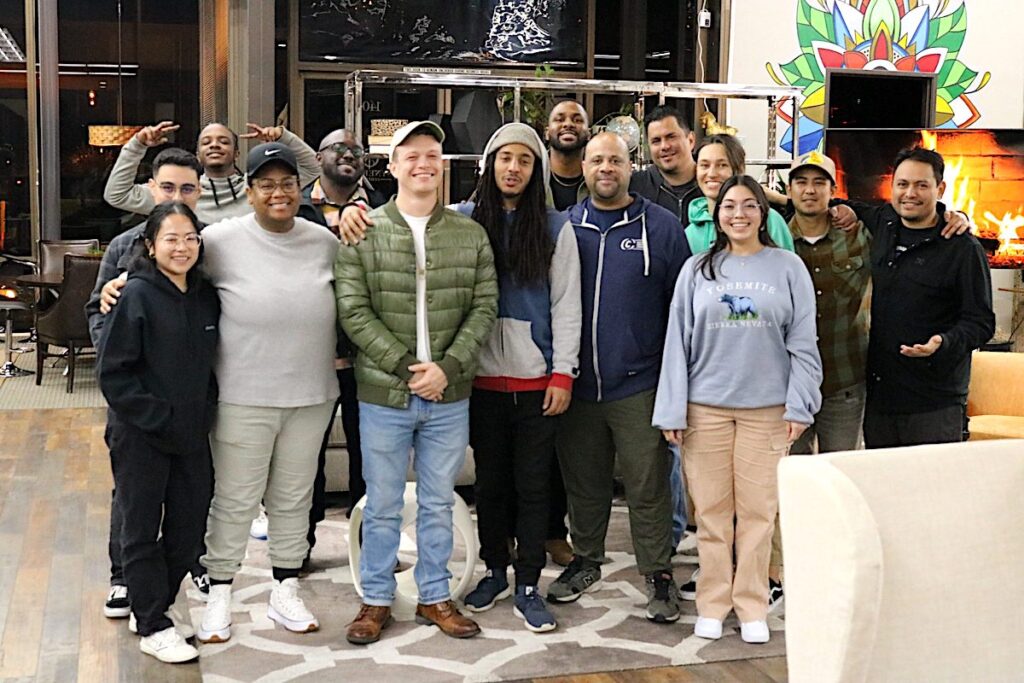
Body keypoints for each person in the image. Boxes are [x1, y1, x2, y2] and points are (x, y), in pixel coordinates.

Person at [336, 121, 498, 645]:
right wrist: (410, 368)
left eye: (432, 155)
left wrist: (446, 369)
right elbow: (353, 311)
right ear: (394, 165)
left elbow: (484, 306)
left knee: (439, 500)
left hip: (449, 395)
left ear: (442, 164)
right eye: (412, 156)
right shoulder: (364, 231)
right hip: (385, 393)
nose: (423, 164)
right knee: (381, 502)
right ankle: (376, 600)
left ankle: (434, 595)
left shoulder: (469, 234)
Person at [653, 175, 822, 644]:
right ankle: (712, 601)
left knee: (758, 514)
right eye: (730, 206)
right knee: (709, 513)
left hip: (767, 411)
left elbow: (804, 342)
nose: (740, 214)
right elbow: (676, 344)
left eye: (750, 205)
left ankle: (751, 605)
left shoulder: (788, 268)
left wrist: (800, 403)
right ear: (718, 214)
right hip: (704, 410)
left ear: (762, 214)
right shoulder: (697, 270)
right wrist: (672, 410)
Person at [548, 132, 690, 624]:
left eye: (615, 159)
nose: (605, 168)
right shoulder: (565, 227)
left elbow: (683, 309)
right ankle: (587, 561)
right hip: (578, 384)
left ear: (631, 167)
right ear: (581, 168)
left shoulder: (663, 227)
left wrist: (677, 384)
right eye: (596, 160)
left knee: (648, 485)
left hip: (640, 383)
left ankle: (658, 574)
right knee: (583, 482)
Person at [456, 123, 581, 632]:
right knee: (491, 485)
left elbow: (566, 306)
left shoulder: (556, 228)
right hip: (481, 382)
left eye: (524, 160)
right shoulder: (462, 222)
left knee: (534, 487)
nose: (513, 168)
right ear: (489, 164)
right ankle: (495, 571)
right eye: (504, 157)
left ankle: (529, 580)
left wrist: (562, 374)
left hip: (536, 383)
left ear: (536, 170)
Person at [86, 146, 208, 621]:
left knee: (188, 504)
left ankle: (176, 574)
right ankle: (125, 580)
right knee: (134, 500)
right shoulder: (124, 248)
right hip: (138, 405)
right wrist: (126, 355)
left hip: (189, 405)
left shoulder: (205, 245)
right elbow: (96, 312)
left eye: (187, 188)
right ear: (150, 188)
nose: (177, 194)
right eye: (168, 186)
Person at [97, 201, 219, 663]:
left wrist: (202, 411)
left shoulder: (206, 295)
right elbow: (115, 374)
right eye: (170, 238)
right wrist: (157, 419)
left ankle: (157, 603)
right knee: (141, 527)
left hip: (191, 433)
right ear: (150, 245)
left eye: (190, 238)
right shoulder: (135, 294)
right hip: (141, 434)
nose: (182, 247)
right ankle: (151, 623)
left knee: (189, 530)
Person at [854, 147, 994, 447]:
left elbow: (981, 323)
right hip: (881, 399)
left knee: (932, 490)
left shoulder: (963, 248)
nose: (910, 193)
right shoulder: (884, 222)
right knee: (882, 489)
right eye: (902, 184)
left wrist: (942, 342)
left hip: (934, 403)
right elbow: (825, 203)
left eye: (921, 185)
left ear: (940, 189)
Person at [300, 128, 387, 570]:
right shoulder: (295, 206)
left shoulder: (384, 208)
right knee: (304, 461)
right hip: (309, 356)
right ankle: (299, 547)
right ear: (320, 156)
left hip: (365, 357)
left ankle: (371, 548)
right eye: (339, 147)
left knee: (369, 459)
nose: (349, 154)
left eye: (356, 149)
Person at [103, 120, 320, 223]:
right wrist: (137, 144)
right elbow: (116, 194)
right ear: (198, 154)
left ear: (236, 154)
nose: (215, 145)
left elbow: (314, 169)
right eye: (207, 142)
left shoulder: (258, 189)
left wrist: (283, 137)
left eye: (223, 141)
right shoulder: (178, 193)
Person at [687, 134, 794, 252]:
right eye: (704, 165)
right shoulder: (690, 233)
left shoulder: (769, 221)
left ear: (740, 169)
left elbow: (786, 267)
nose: (712, 173)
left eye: (722, 165)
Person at [629, 105, 701, 222]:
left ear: (691, 140)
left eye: (671, 137)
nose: (664, 146)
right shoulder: (634, 188)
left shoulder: (712, 184)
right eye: (656, 141)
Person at [546, 99, 591, 211]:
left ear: (589, 134)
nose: (568, 124)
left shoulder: (599, 179)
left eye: (577, 120)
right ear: (547, 133)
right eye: (559, 119)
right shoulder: (533, 176)